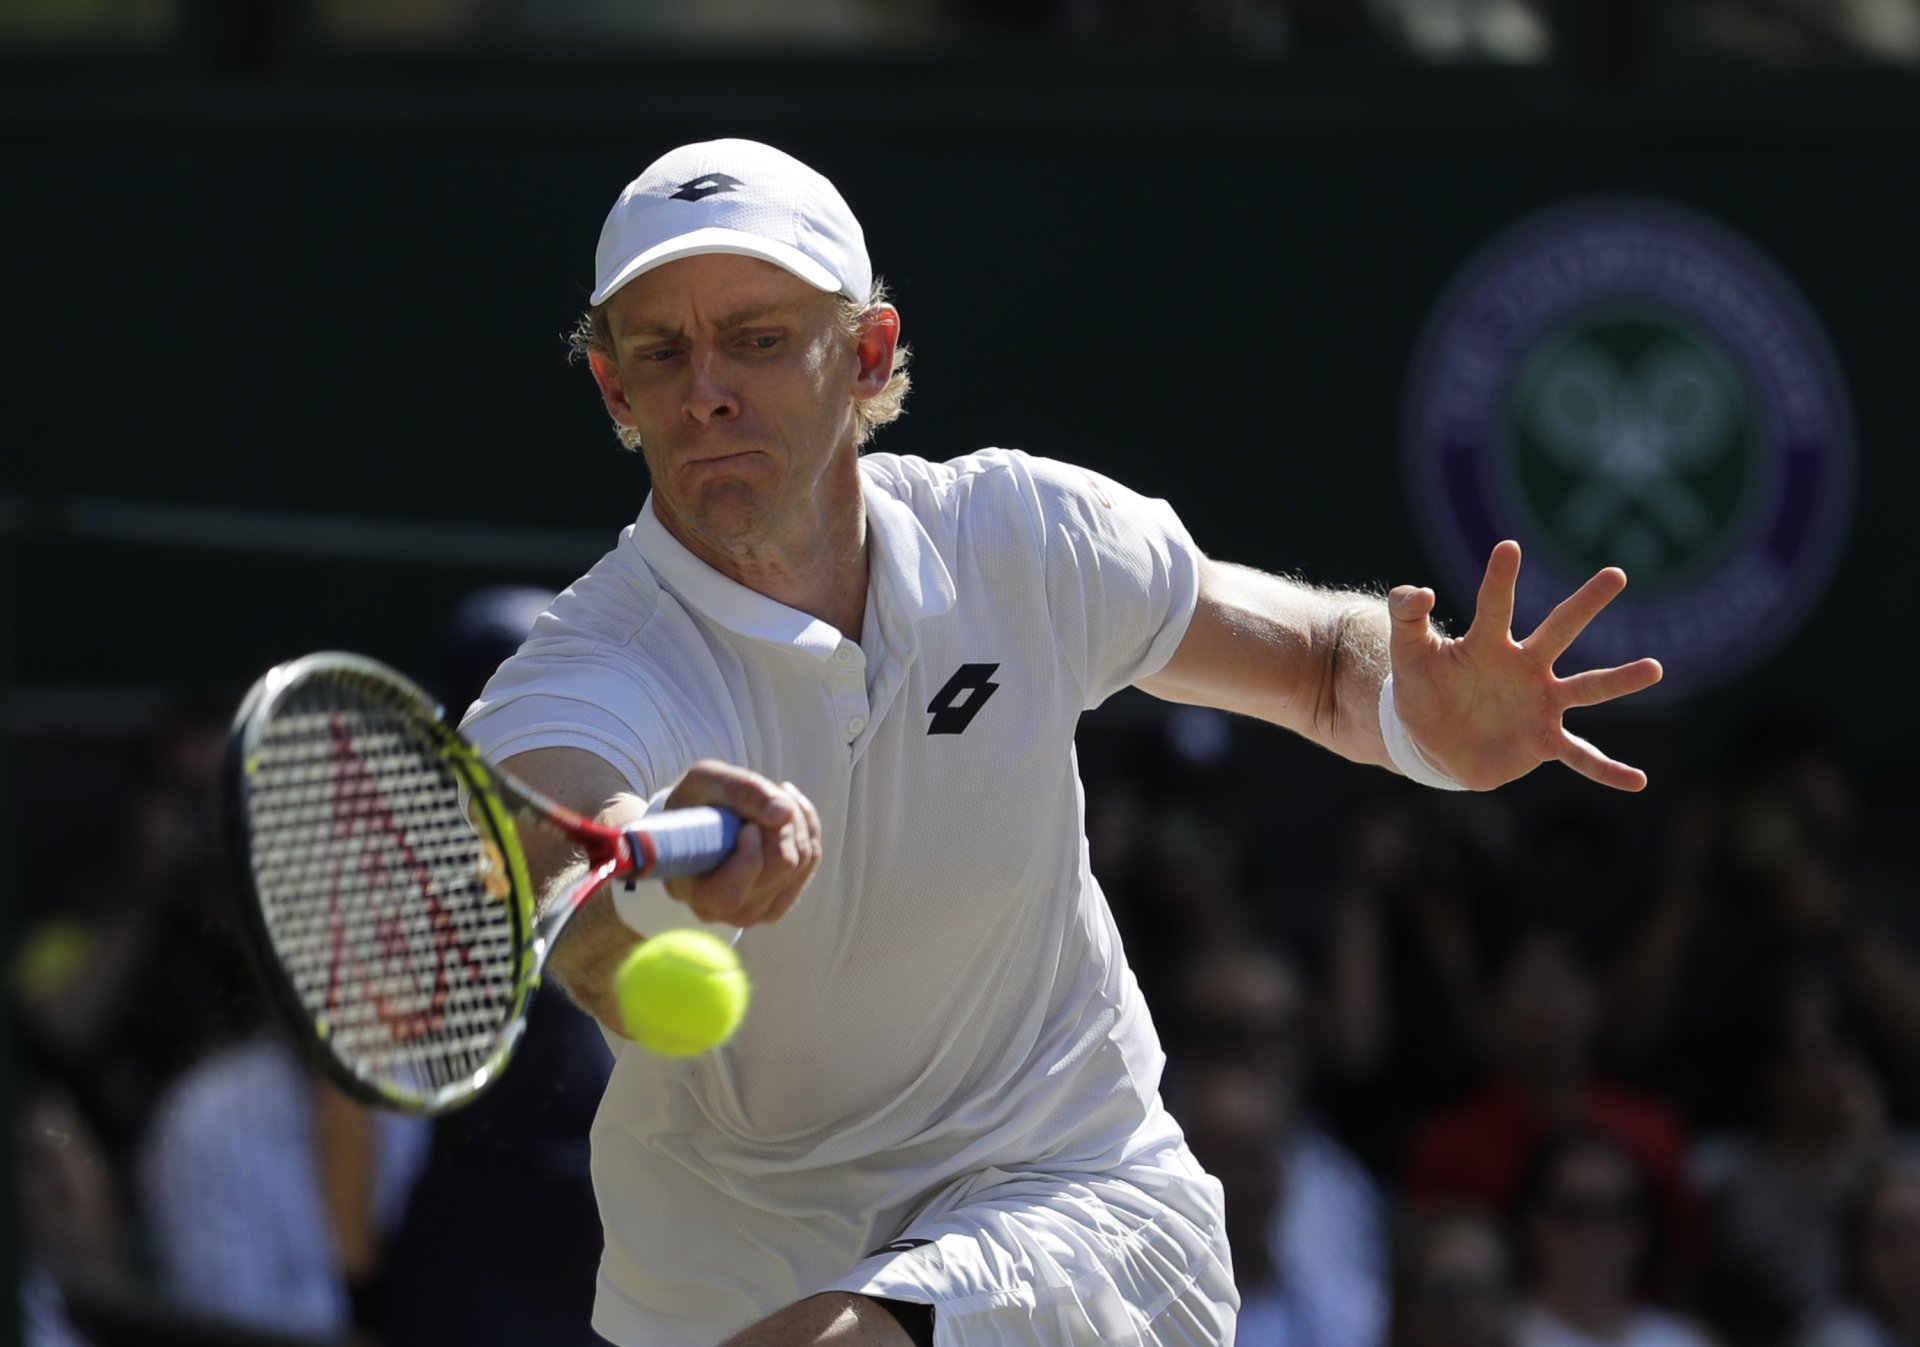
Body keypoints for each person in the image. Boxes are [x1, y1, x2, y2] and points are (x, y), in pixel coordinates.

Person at [460, 137, 1662, 1347]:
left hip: (1080, 1211)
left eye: (759, 339)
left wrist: (1421, 716)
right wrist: (678, 900)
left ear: (868, 358)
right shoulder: (577, 681)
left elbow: (1318, 669)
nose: (705, 388)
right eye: (660, 353)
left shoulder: (1028, 536)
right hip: (715, 1297)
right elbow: (585, 921)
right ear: (617, 393)